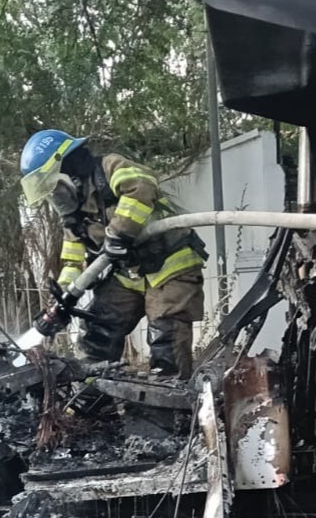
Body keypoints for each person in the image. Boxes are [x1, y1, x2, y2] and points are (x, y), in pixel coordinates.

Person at [18, 129, 207, 377]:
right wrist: (62, 298)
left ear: (68, 171)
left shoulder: (109, 168)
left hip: (169, 267)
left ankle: (163, 411)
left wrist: (118, 233)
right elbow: (73, 261)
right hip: (129, 275)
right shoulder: (76, 215)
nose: (55, 196)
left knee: (165, 338)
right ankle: (91, 398)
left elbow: (141, 187)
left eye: (53, 186)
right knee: (98, 329)